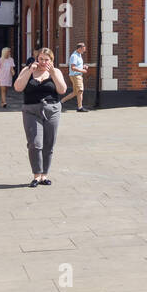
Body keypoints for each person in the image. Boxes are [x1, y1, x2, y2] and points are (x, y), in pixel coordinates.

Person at [14, 48, 67, 186]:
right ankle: (36, 175)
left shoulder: (56, 72)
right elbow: (18, 87)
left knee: (49, 143)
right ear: (36, 59)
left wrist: (53, 73)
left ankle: (44, 175)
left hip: (52, 109)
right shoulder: (27, 70)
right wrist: (30, 71)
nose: (43, 62)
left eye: (46, 59)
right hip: (31, 110)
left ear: (51, 60)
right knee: (35, 143)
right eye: (41, 59)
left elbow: (62, 90)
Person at [63, 42, 89, 112]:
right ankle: (80, 107)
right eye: (83, 49)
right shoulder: (74, 56)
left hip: (77, 75)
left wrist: (84, 66)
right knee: (80, 90)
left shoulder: (79, 55)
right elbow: (73, 67)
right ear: (80, 48)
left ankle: (61, 102)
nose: (84, 51)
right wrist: (82, 70)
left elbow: (77, 65)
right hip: (76, 75)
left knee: (75, 92)